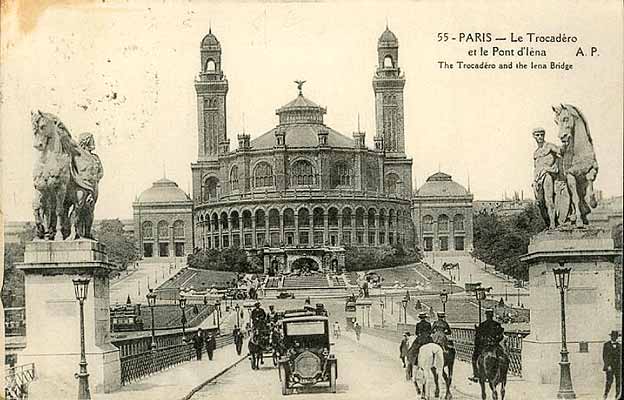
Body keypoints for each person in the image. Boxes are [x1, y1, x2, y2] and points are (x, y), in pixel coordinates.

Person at [469, 309, 504, 382]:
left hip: (484, 346)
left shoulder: (482, 325)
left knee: (474, 357)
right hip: (495, 345)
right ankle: (502, 374)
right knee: (503, 356)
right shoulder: (497, 324)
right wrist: (496, 341)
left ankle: (476, 375)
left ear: (486, 316)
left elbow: (478, 337)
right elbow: (501, 336)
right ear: (492, 315)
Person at [603, 330, 621, 399]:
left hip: (618, 367)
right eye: (613, 336)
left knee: (618, 382)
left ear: (617, 337)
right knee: (609, 381)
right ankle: (606, 393)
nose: (614, 337)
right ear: (611, 337)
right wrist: (607, 365)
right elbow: (604, 356)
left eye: (615, 336)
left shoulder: (619, 345)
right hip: (610, 367)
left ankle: (617, 395)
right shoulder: (606, 345)